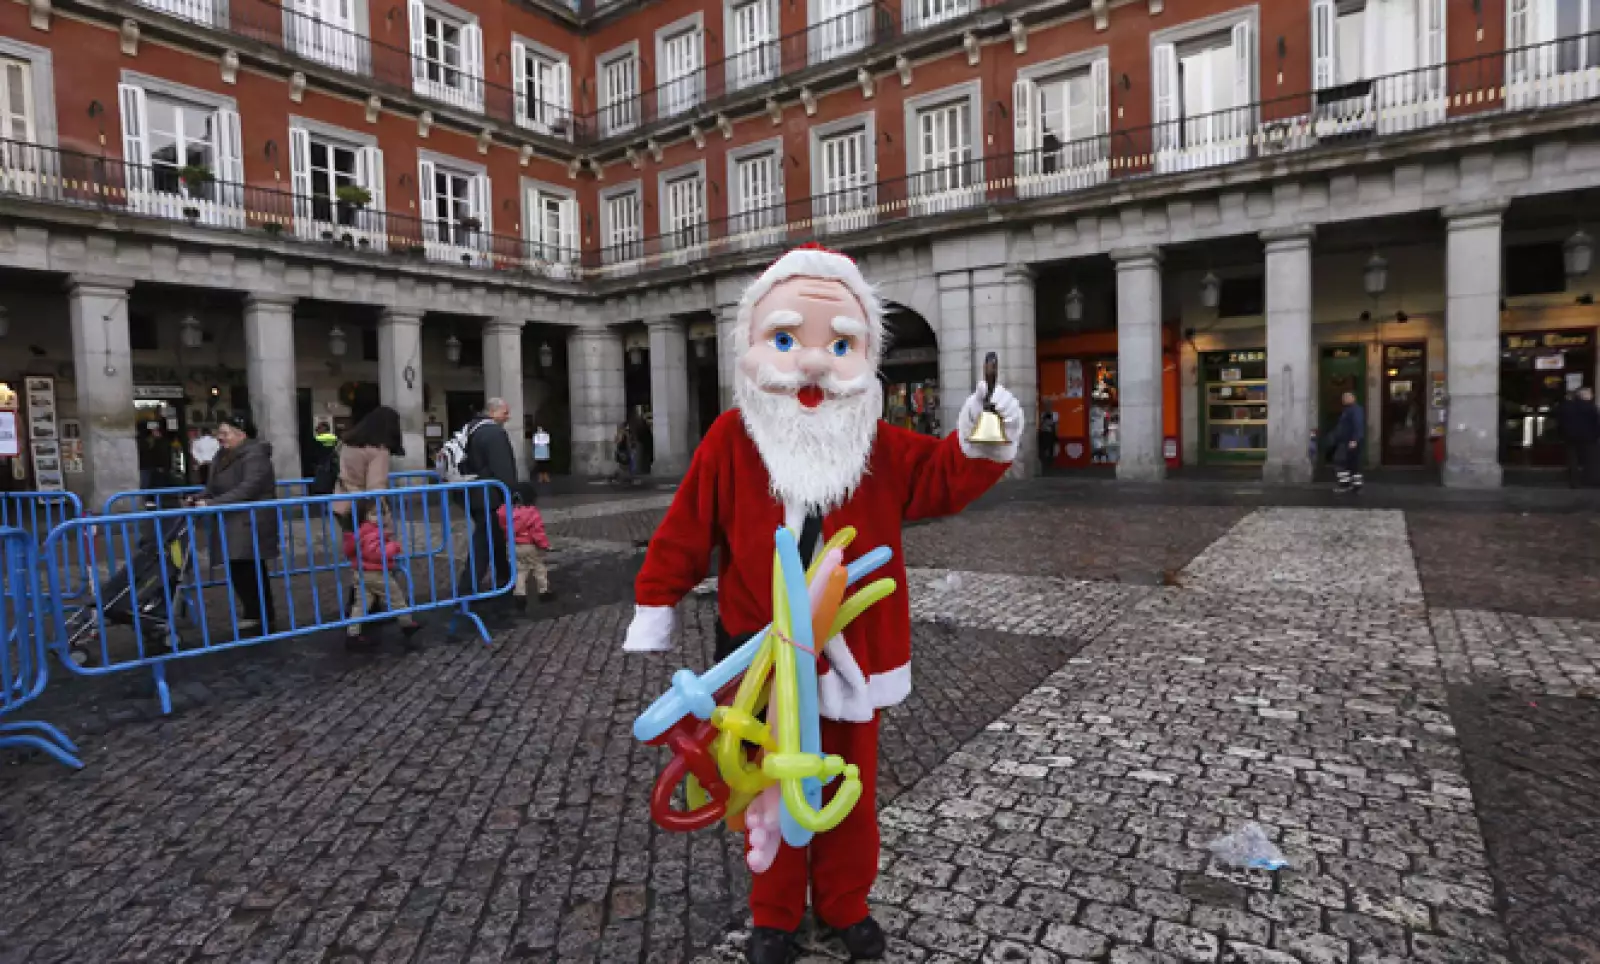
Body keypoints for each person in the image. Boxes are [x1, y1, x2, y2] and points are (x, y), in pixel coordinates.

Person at [620, 245, 1022, 964]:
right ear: (753, 345)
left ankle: (844, 904)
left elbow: (945, 477)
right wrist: (656, 600)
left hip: (852, 655)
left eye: (838, 345)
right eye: (785, 339)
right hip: (759, 654)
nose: (811, 363)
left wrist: (983, 432)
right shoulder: (731, 439)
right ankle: (774, 914)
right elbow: (687, 526)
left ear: (864, 355)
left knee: (849, 787)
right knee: (768, 786)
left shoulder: (878, 445)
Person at [188, 415, 278, 636]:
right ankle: (254, 612)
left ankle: (259, 613)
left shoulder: (255, 455)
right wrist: (198, 497)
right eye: (219, 433)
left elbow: (249, 488)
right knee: (238, 566)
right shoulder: (221, 455)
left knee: (249, 567)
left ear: (241, 434)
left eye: (225, 433)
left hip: (250, 520)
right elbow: (213, 487)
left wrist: (212, 503)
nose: (220, 437)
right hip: (231, 518)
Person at [333, 405, 405, 646]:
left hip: (344, 506)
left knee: (360, 561)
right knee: (375, 561)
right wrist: (380, 519)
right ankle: (365, 612)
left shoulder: (347, 444)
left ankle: (362, 612)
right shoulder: (378, 450)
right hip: (366, 510)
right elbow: (376, 488)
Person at [455, 398, 518, 608]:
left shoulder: (471, 428)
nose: (507, 417)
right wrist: (511, 493)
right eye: (505, 412)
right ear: (492, 412)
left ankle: (505, 576)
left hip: (473, 492)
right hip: (489, 495)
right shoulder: (494, 433)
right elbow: (503, 468)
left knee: (495, 536)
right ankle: (466, 588)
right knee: (484, 541)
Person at [340, 499, 423, 650]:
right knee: (396, 597)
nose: (379, 517)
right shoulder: (372, 532)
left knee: (361, 605)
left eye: (381, 513)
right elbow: (375, 553)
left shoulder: (358, 532)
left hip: (361, 573)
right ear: (364, 516)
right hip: (376, 573)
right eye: (374, 514)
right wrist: (394, 547)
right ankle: (407, 624)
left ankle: (352, 634)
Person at [498, 482, 554, 606]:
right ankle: (544, 591)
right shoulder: (532, 513)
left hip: (512, 546)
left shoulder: (503, 512)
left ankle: (520, 593)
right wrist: (544, 545)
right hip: (529, 546)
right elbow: (537, 532)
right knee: (538, 568)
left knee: (519, 571)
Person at [1555, 387, 1600, 487]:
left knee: (1572, 459)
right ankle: (1589, 480)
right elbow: (1596, 423)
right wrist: (1596, 435)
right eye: (1589, 394)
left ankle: (1574, 481)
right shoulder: (1590, 407)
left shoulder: (1566, 406)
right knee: (1590, 459)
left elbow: (1561, 422)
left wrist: (1562, 435)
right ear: (1584, 395)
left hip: (1570, 437)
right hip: (1588, 437)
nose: (1592, 396)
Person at [1328, 391, 1366, 493]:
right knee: (1352, 464)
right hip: (1347, 441)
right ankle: (1356, 486)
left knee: (1341, 462)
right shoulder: (1348, 410)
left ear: (1353, 398)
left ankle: (1345, 485)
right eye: (1343, 397)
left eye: (1347, 397)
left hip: (1349, 441)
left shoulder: (1355, 410)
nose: (1344, 399)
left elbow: (1358, 425)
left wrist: (1355, 440)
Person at [1037, 400, 1059, 472]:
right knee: (1043, 449)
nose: (1047, 407)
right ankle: (1044, 464)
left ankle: (1050, 464)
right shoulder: (1042, 414)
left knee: (1051, 449)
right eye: (1046, 406)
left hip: (1051, 433)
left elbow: (1056, 425)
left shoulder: (1055, 414)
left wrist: (1056, 434)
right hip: (1044, 433)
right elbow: (1040, 424)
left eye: (1049, 405)